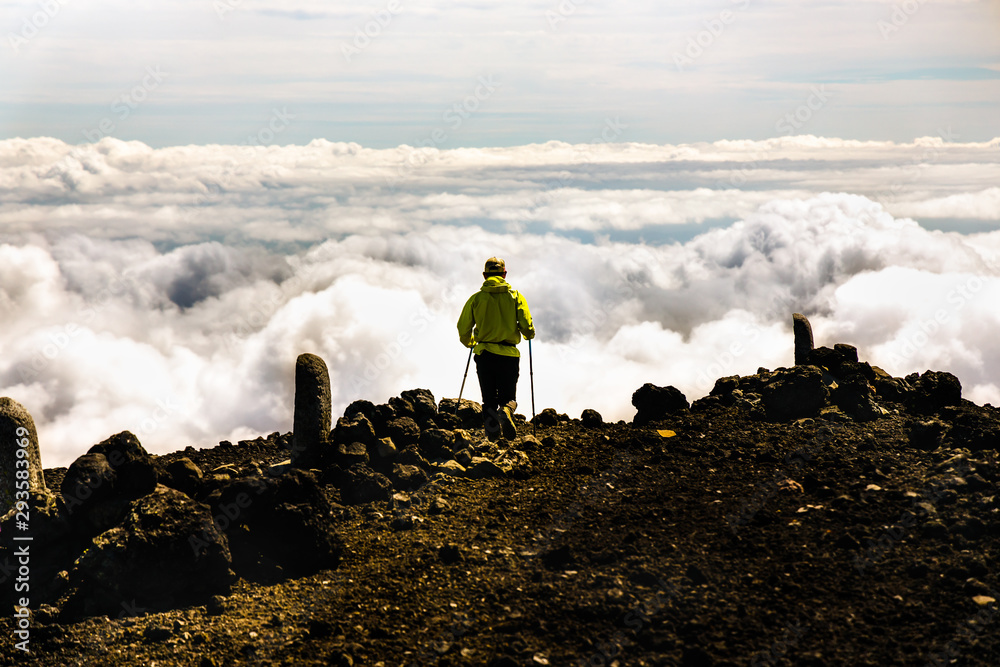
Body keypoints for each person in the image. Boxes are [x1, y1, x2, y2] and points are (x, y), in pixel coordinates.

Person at [457, 257, 535, 440]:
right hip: (509, 354)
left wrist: (470, 343)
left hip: (484, 354)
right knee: (509, 397)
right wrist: (528, 334)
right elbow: (526, 324)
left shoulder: (476, 299)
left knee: (488, 399)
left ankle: (492, 439)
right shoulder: (515, 296)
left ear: (484, 275)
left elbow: (463, 328)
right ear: (504, 274)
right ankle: (507, 410)